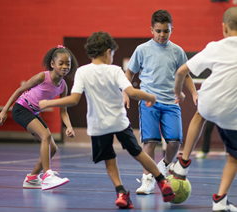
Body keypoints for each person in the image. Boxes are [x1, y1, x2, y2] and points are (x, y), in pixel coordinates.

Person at [39, 31, 175, 209]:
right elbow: (132, 92)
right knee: (138, 153)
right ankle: (162, 181)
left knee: (109, 159)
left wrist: (49, 102)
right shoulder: (115, 70)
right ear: (107, 52)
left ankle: (120, 193)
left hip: (98, 126)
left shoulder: (82, 71)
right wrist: (150, 97)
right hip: (119, 122)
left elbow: (73, 99)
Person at [124, 9, 198, 195]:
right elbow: (129, 72)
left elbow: (186, 75)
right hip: (149, 102)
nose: (162, 35)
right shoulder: (142, 50)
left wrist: (195, 94)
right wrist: (126, 92)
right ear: (151, 30)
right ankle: (147, 179)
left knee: (175, 140)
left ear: (172, 29)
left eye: (166, 31)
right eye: (158, 31)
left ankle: (164, 166)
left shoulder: (178, 51)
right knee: (150, 142)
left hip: (171, 103)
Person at [171, 7, 237, 211]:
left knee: (199, 115)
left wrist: (177, 91)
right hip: (232, 111)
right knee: (234, 158)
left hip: (208, 101)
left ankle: (182, 163)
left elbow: (182, 70)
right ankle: (220, 200)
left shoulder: (215, 46)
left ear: (224, 27)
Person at [0, 45, 78, 191]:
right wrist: (4, 110)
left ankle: (32, 178)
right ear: (53, 64)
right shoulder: (42, 77)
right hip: (21, 109)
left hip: (33, 112)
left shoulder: (63, 86)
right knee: (46, 135)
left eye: (68, 64)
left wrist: (69, 126)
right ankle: (47, 176)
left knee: (52, 148)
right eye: (61, 63)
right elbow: (19, 90)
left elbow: (63, 111)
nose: (65, 67)